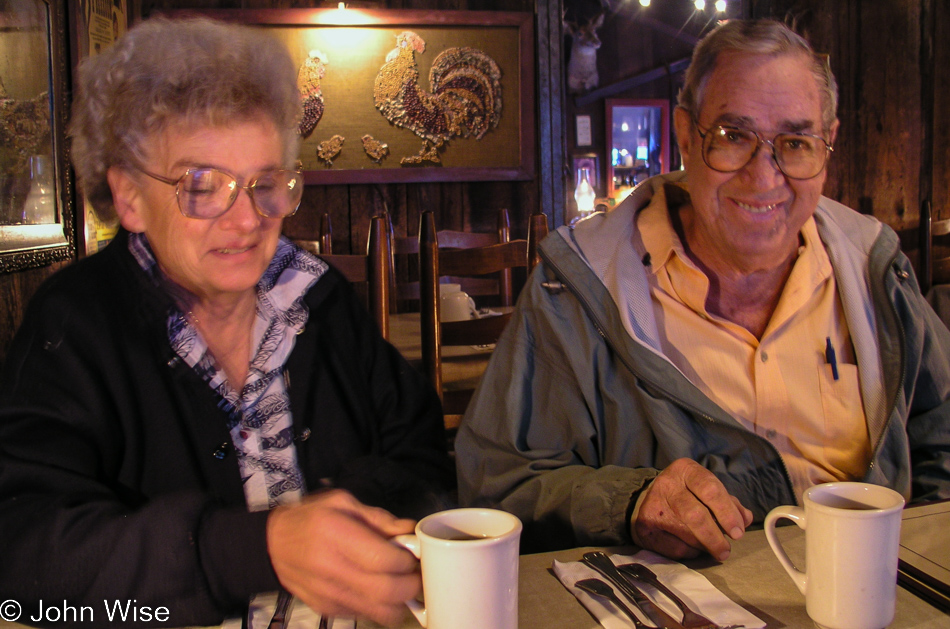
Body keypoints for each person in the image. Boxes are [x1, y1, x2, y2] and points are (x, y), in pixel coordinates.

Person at [0, 17, 454, 628]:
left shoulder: (321, 300)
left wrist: (361, 523)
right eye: (203, 186)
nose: (248, 220)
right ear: (130, 197)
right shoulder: (75, 326)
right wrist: (255, 548)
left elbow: (420, 454)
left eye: (266, 183)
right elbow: (25, 561)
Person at [456, 18, 950, 560]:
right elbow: (497, 484)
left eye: (795, 142)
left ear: (828, 145)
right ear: (686, 135)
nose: (764, 177)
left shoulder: (875, 271)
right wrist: (628, 501)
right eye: (733, 137)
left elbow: (940, 435)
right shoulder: (574, 288)